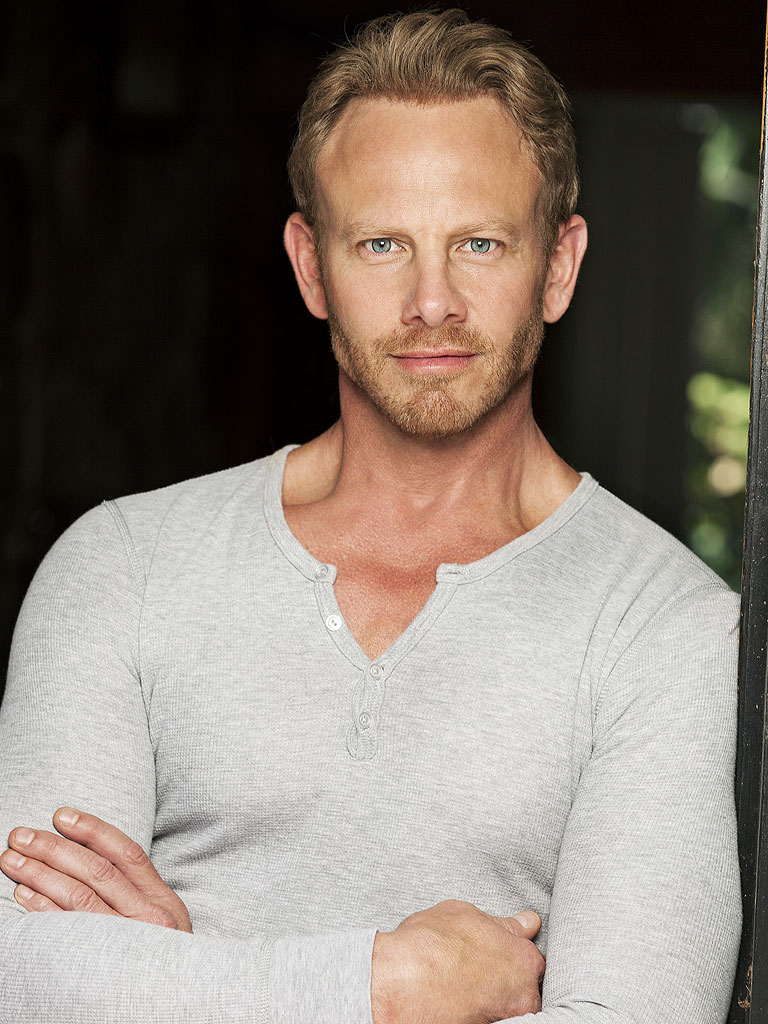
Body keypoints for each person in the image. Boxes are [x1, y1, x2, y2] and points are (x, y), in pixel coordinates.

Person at [0, 9, 741, 1023]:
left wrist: (176, 978)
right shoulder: (120, 567)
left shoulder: (667, 630)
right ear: (312, 266)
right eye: (383, 242)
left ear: (558, 266)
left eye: (480, 242)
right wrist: (387, 986)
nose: (432, 301)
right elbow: (17, 975)